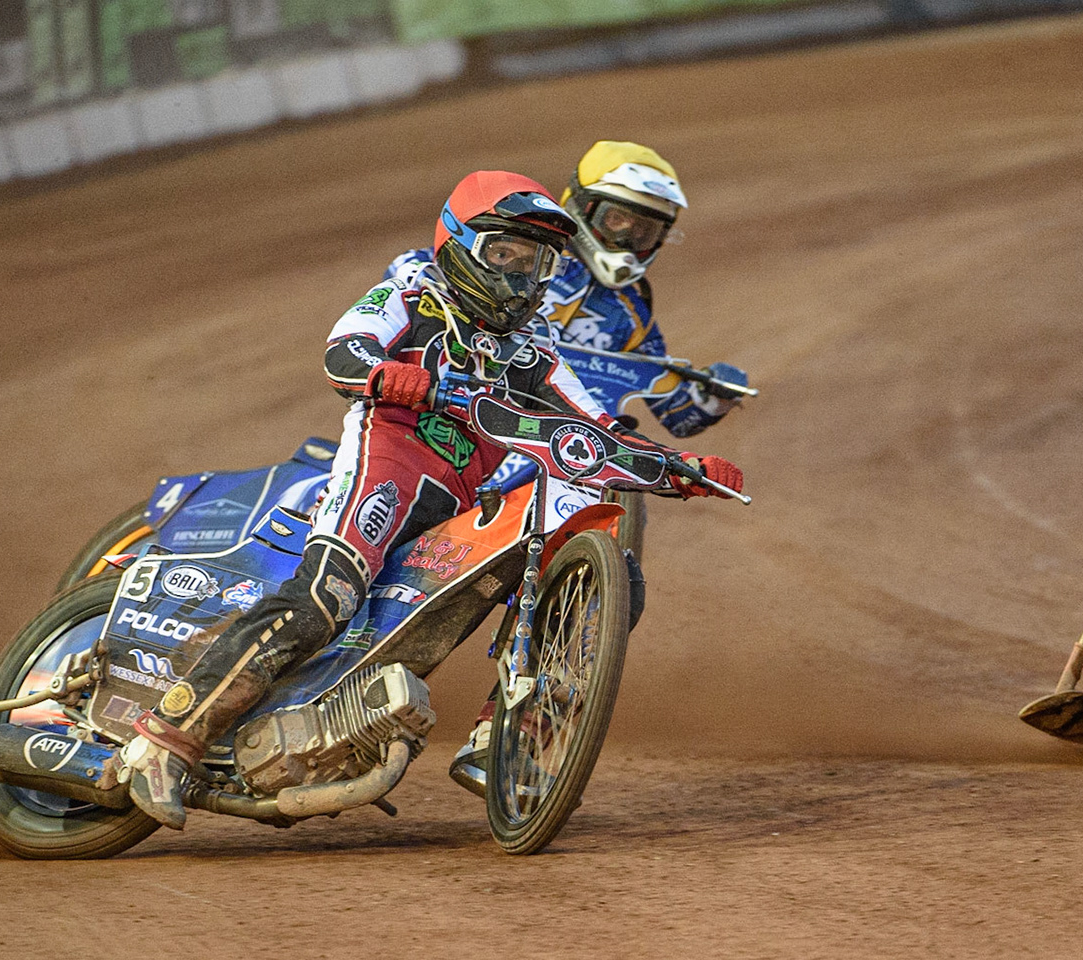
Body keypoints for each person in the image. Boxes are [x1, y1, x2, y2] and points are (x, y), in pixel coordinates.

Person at [114, 170, 744, 829]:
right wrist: (386, 372)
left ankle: (507, 732)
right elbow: (346, 348)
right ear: (460, 244)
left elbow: (595, 430)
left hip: (466, 496)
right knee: (328, 594)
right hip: (389, 455)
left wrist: (680, 469)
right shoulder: (412, 290)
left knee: (584, 568)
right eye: (505, 255)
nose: (521, 275)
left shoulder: (531, 351)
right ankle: (166, 737)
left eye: (537, 263)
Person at [385, 141, 749, 442]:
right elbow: (418, 264)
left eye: (644, 232)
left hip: (553, 441)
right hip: (448, 412)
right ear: (581, 206)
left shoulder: (632, 313)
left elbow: (678, 415)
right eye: (617, 220)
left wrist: (717, 396)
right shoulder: (528, 253)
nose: (627, 239)